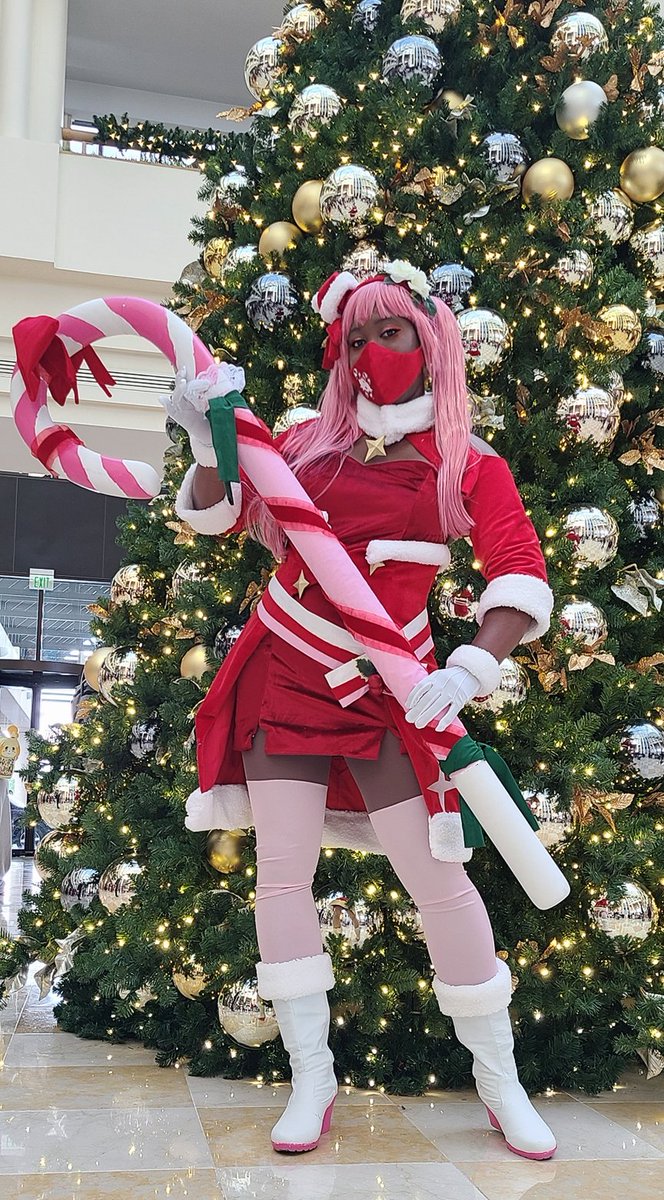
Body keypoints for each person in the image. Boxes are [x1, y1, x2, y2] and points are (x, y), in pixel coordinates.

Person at [164, 261, 556, 1160]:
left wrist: (470, 669)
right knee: (281, 875)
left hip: (389, 689)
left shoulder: (467, 460)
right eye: (354, 339)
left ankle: (499, 1080)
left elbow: (520, 571)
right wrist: (205, 442)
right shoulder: (303, 441)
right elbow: (221, 517)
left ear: (430, 342)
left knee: (439, 881)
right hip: (286, 670)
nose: (370, 352)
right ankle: (312, 1078)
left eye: (391, 332)